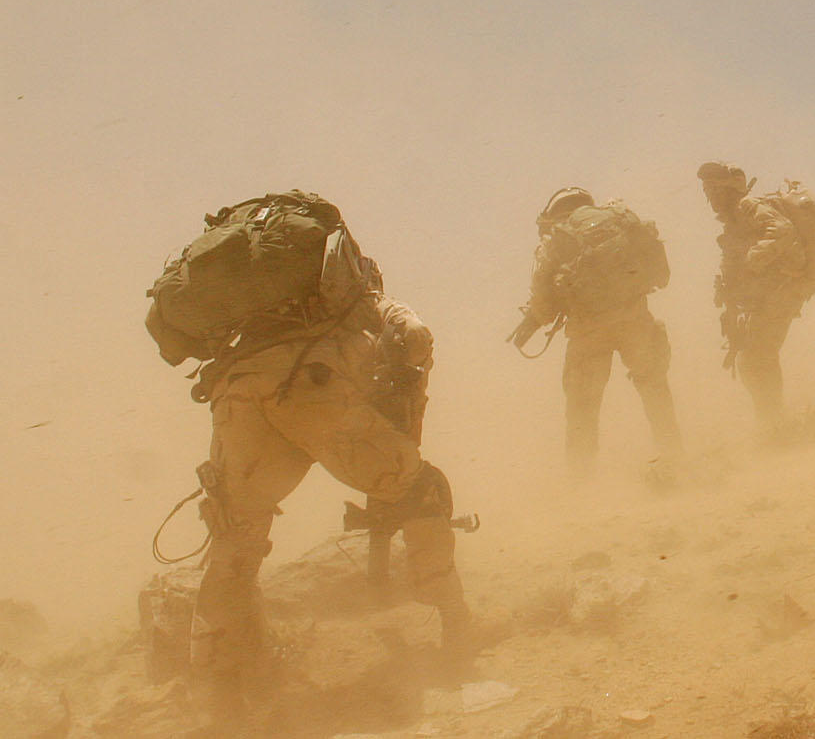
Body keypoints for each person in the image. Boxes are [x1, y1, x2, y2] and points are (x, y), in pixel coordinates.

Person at [149, 192, 473, 716]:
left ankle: (220, 694)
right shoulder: (358, 287)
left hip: (235, 393)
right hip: (309, 382)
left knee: (236, 538)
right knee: (421, 488)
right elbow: (415, 339)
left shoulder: (247, 309)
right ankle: (457, 630)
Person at [509, 187, 679, 484]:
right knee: (654, 390)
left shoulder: (557, 238)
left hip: (588, 332)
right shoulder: (621, 221)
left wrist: (534, 319)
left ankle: (580, 483)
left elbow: (543, 304)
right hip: (635, 318)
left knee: (582, 409)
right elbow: (660, 274)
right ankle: (677, 458)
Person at [699, 162, 815, 431]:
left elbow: (781, 231)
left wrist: (751, 261)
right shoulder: (734, 218)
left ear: (729, 189)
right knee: (754, 359)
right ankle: (772, 424)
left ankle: (774, 428)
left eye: (713, 188)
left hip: (781, 292)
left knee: (757, 358)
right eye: (706, 189)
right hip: (767, 296)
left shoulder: (748, 206)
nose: (709, 195)